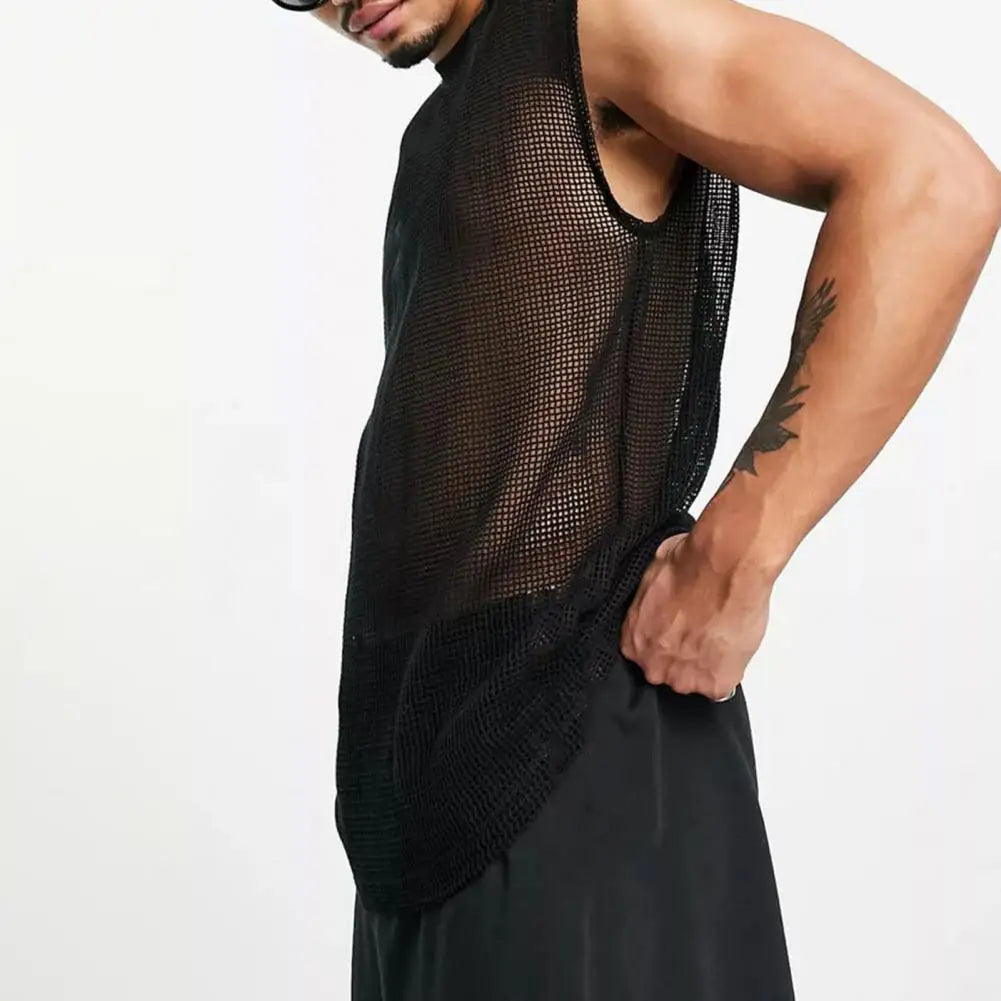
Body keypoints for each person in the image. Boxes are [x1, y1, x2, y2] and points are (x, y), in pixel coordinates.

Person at [272, 0, 1000, 997]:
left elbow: (930, 182)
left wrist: (737, 548)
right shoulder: (444, 126)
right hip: (428, 807)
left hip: (573, 742)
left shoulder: (585, 24)